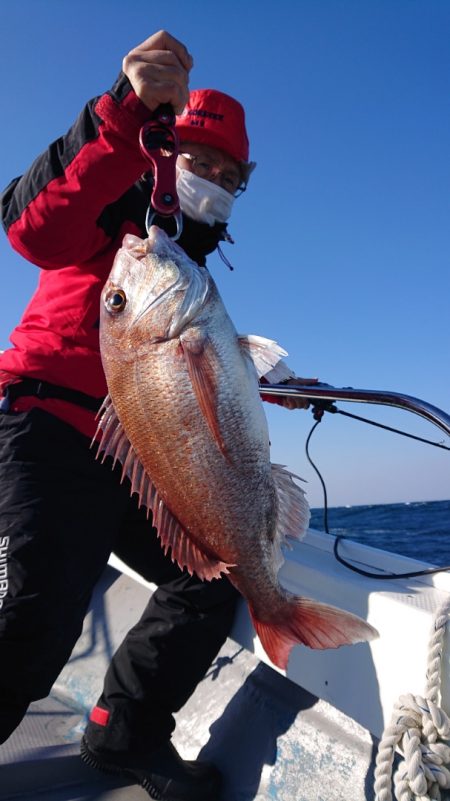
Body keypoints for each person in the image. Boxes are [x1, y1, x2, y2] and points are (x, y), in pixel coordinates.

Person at [0, 30, 315, 801]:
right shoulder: (122, 221)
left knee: (211, 579)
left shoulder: (187, 263)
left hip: (138, 455)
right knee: (40, 614)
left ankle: (125, 728)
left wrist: (266, 387)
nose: (210, 179)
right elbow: (27, 224)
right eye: (197, 160)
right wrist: (120, 111)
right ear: (164, 152)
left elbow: (196, 384)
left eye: (226, 173)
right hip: (49, 426)